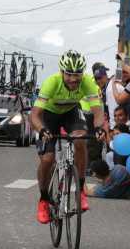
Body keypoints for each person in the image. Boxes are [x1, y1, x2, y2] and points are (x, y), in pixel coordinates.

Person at [30, 50, 105, 224]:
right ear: (62, 72)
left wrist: (100, 128)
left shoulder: (87, 82)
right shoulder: (52, 82)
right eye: (69, 74)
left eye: (77, 75)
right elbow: (34, 115)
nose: (73, 79)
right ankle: (43, 199)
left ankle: (80, 190)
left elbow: (97, 111)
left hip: (70, 112)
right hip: (47, 116)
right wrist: (41, 130)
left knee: (80, 139)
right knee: (48, 159)